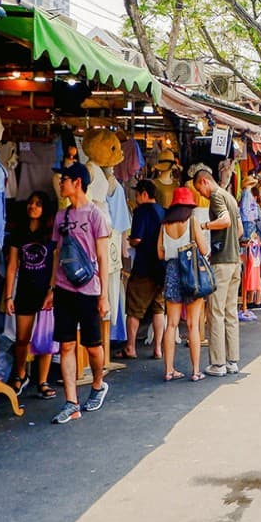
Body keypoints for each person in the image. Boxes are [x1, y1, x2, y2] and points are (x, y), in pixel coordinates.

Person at [47, 162, 111, 424]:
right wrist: (52, 287)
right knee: (66, 344)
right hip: (64, 288)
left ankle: (98, 384)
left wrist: (104, 295)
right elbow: (57, 254)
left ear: (77, 183)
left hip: (89, 289)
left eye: (64, 179)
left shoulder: (96, 215)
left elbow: (103, 258)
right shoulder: (61, 217)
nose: (60, 183)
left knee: (93, 346)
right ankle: (71, 402)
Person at [4, 192, 56, 400]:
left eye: (38, 204)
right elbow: (12, 266)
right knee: (22, 339)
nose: (32, 207)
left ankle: (42, 381)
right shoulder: (20, 232)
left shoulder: (50, 234)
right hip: (24, 290)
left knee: (45, 338)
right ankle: (20, 374)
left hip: (45, 292)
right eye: (31, 203)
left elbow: (55, 264)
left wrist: (52, 290)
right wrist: (8, 296)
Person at [193, 168, 242, 377]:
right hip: (235, 260)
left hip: (221, 263)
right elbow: (239, 230)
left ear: (204, 182)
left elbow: (225, 221)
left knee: (215, 312)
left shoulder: (216, 196)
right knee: (231, 313)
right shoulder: (230, 196)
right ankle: (232, 361)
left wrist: (204, 225)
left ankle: (218, 364)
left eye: (200, 190)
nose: (202, 195)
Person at [158, 187, 209, 381]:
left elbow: (160, 253)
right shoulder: (193, 222)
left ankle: (169, 370)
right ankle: (196, 371)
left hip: (172, 272)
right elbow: (204, 250)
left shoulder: (165, 225)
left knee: (171, 324)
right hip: (191, 273)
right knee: (192, 325)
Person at [120, 179, 165, 360]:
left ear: (144, 194)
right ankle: (158, 348)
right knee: (158, 309)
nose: (136, 197)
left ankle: (130, 347)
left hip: (144, 267)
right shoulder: (163, 211)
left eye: (137, 194)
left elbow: (137, 239)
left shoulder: (140, 212)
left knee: (134, 309)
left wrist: (130, 241)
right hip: (161, 267)